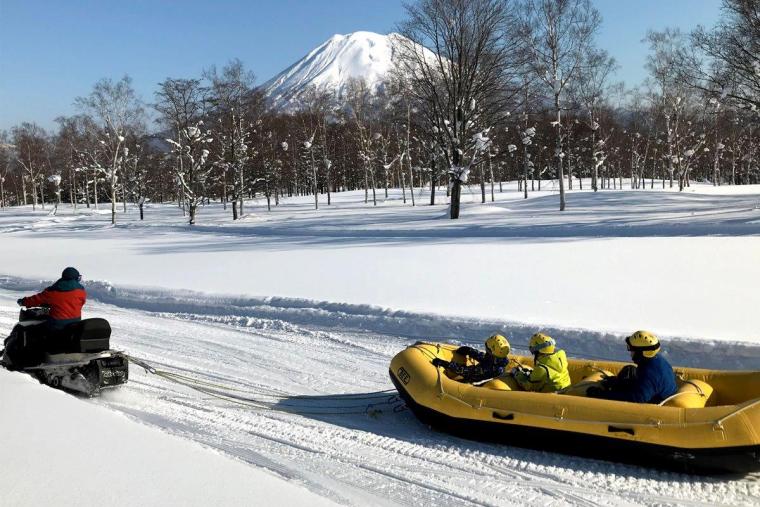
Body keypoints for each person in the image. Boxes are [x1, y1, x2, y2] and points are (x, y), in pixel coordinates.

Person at [586, 330, 677, 404]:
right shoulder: (656, 360)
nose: (630, 353)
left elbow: (636, 398)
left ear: (641, 353)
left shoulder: (649, 373)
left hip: (656, 404)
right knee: (629, 371)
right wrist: (616, 381)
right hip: (653, 393)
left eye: (632, 350)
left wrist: (601, 395)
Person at [17, 267, 87, 330]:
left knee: (34, 329)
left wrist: (23, 301)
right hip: (75, 324)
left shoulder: (54, 290)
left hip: (57, 325)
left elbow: (36, 299)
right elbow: (81, 303)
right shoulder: (81, 290)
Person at [432, 334, 511, 383]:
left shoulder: (488, 368)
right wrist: (470, 351)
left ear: (491, 352)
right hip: (480, 376)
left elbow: (466, 371)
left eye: (487, 349)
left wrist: (445, 364)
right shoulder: (499, 360)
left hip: (475, 384)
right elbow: (484, 358)